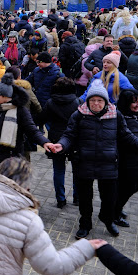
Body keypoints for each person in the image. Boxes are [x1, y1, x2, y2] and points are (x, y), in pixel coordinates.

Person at [52, 80, 138, 239]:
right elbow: (69, 135)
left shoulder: (116, 115)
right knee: (85, 199)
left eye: (99, 100)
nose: (96, 103)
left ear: (105, 102)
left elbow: (127, 136)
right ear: (88, 101)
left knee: (109, 198)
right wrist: (61, 145)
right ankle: (85, 224)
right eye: (92, 100)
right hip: (84, 163)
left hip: (108, 164)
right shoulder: (79, 114)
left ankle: (108, 220)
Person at [0, 74, 54, 173]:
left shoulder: (20, 111)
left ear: (5, 96)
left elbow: (32, 130)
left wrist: (44, 142)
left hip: (10, 157)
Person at [39, 77, 79, 208]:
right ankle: (77, 197)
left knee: (58, 170)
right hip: (74, 138)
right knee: (77, 170)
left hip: (56, 138)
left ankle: (61, 199)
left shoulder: (51, 102)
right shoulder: (77, 102)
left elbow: (42, 118)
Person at [114, 89, 138, 228]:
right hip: (128, 162)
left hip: (134, 160)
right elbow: (134, 143)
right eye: (134, 102)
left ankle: (116, 208)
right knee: (128, 188)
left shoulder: (132, 116)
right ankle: (114, 213)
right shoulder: (126, 120)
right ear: (126, 104)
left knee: (128, 187)